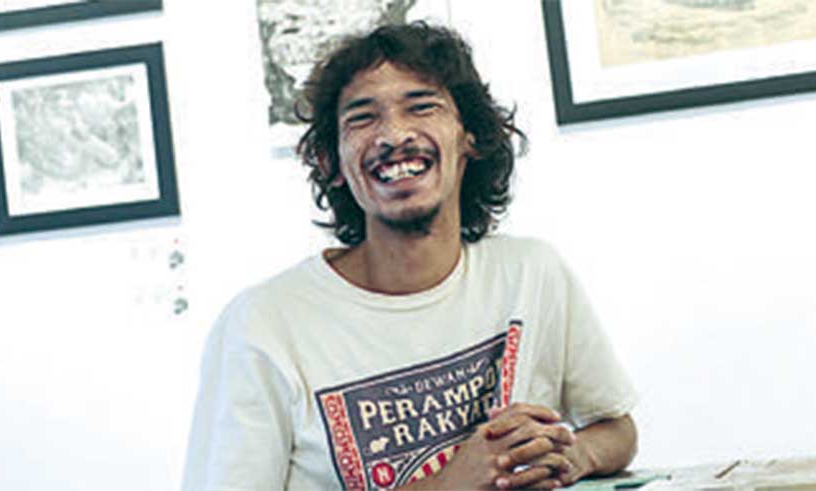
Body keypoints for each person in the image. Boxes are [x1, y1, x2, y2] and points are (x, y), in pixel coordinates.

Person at [182, 21, 638, 491]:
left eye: (422, 107)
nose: (394, 134)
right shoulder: (261, 326)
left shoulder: (531, 273)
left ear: (469, 138)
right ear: (330, 162)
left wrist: (569, 455)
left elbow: (617, 429)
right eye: (362, 118)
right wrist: (449, 483)